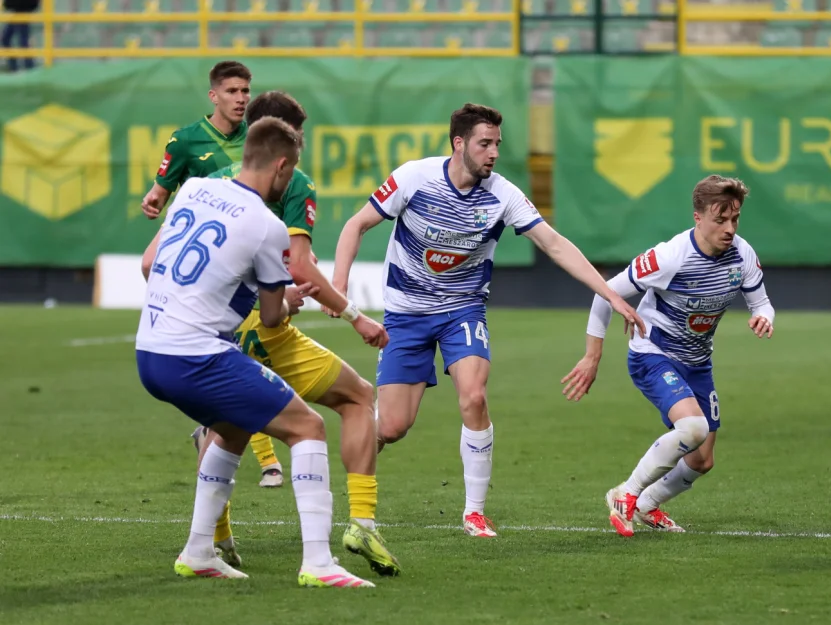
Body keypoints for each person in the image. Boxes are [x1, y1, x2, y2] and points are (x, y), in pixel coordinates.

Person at [332, 102, 644, 538]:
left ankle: (474, 512)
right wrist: (339, 284)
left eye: (498, 143)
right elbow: (356, 224)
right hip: (406, 313)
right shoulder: (414, 178)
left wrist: (610, 293)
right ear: (459, 143)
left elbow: (553, 244)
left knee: (474, 396)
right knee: (393, 427)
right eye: (485, 143)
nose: (494, 152)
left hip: (462, 309)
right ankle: (365, 442)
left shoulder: (503, 194)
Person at [140, 91, 400, 576]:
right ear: (282, 166)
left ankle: (201, 551)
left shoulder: (194, 188)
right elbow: (275, 316)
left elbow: (149, 263)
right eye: (292, 168)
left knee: (234, 427)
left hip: (149, 348)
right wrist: (292, 298)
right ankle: (320, 563)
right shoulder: (267, 224)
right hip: (199, 355)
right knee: (308, 426)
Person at [561, 175, 774, 536]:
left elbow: (762, 302)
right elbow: (605, 294)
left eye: (735, 219)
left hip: (698, 362)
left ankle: (646, 504)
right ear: (698, 217)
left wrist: (763, 317)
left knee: (702, 460)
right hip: (653, 354)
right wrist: (592, 355)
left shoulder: (743, 255)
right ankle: (625, 494)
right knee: (692, 427)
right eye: (720, 219)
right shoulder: (670, 256)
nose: (729, 228)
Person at [138, 61, 287, 485]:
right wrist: (153, 203)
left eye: (246, 90)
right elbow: (160, 193)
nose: (242, 98)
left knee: (253, 355)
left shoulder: (258, 139)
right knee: (251, 355)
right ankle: (264, 456)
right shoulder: (185, 141)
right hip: (212, 275)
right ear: (214, 95)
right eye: (233, 91)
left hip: (254, 258)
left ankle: (224, 437)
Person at [1, 0, 37, 72]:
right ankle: (17, 67)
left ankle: (28, 67)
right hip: (18, 11)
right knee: (7, 38)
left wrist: (7, 4)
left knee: (22, 40)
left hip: (22, 11)